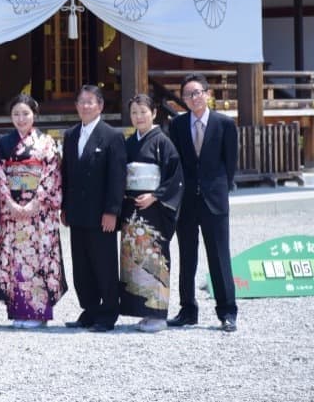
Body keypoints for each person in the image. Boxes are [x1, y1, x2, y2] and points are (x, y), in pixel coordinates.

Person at [168, 73, 239, 332]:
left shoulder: (224, 124)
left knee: (219, 256)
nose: (194, 98)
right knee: (187, 256)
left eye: (198, 92)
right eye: (188, 94)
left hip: (214, 200)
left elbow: (229, 165)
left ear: (208, 94)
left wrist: (218, 189)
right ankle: (187, 310)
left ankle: (227, 312)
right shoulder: (177, 125)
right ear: (184, 100)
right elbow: (175, 164)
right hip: (186, 201)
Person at [0, 94, 66, 328]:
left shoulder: (46, 142)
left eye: (25, 114)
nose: (21, 119)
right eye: (16, 114)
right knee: (13, 258)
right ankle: (18, 311)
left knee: (39, 257)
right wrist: (11, 203)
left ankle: (38, 312)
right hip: (12, 213)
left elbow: (52, 173)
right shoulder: (3, 144)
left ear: (35, 114)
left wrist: (36, 201)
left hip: (39, 213)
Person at [61, 85, 127, 332]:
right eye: (82, 101)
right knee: (81, 264)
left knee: (104, 263)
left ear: (100, 106)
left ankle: (108, 312)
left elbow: (117, 177)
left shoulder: (111, 136)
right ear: (76, 106)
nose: (86, 106)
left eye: (91, 102)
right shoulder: (70, 135)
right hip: (77, 211)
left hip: (101, 213)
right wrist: (64, 207)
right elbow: (66, 173)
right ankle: (89, 309)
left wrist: (112, 211)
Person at [120, 93, 183, 333]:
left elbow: (176, 177)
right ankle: (143, 311)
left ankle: (158, 314)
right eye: (134, 112)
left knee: (154, 258)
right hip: (132, 209)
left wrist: (155, 196)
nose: (138, 117)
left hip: (154, 210)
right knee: (134, 259)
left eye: (143, 112)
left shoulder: (163, 141)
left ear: (154, 113)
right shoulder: (129, 142)